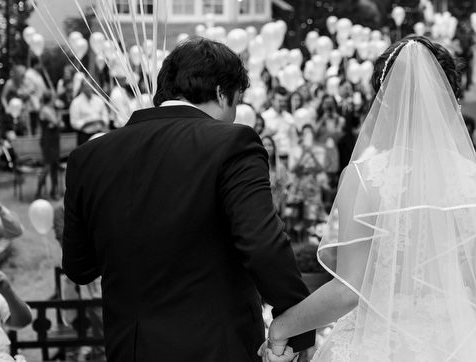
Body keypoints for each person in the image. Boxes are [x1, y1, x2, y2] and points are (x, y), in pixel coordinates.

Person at [265, 36, 476, 361]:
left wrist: (281, 327)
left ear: (384, 103)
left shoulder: (365, 179)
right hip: (464, 346)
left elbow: (348, 291)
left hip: (378, 345)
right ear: (452, 102)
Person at [62, 37, 313, 361]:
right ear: (223, 93)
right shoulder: (233, 142)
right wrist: (299, 327)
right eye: (236, 102)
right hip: (217, 347)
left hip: (131, 348)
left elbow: (79, 267)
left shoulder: (88, 157)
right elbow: (262, 243)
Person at [36, 92, 61, 200]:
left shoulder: (51, 110)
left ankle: (53, 191)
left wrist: (57, 122)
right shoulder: (45, 110)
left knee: (54, 165)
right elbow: (56, 122)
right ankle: (38, 191)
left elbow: (58, 124)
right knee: (47, 166)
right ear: (50, 99)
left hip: (54, 140)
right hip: (48, 141)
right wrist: (59, 113)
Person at [69, 81, 110, 146]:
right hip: (84, 135)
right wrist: (87, 123)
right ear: (82, 88)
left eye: (90, 86)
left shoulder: (98, 99)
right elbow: (74, 122)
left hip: (99, 133)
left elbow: (105, 115)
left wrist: (102, 121)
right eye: (86, 87)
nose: (88, 89)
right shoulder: (76, 102)